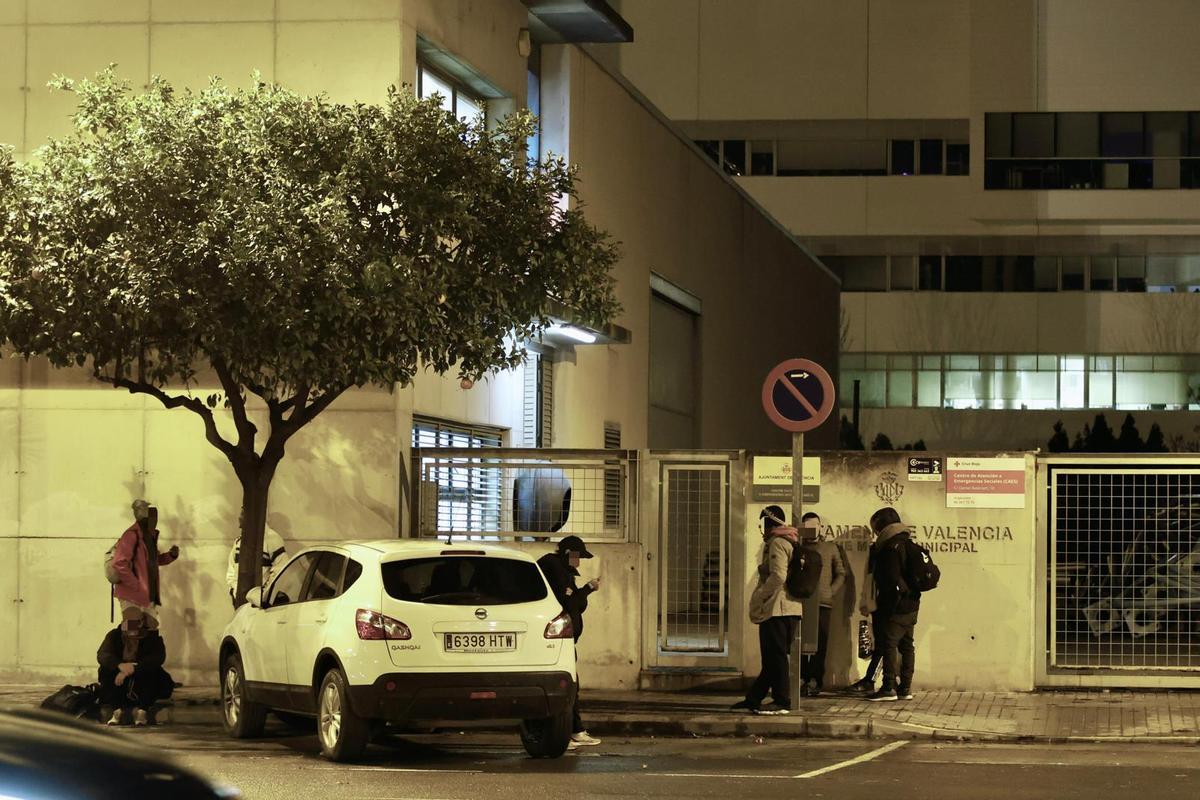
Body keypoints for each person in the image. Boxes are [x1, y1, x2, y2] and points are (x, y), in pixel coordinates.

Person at [731, 505, 803, 715]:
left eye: (764, 524)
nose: (762, 529)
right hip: (788, 608)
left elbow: (778, 576)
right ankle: (754, 698)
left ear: (770, 524)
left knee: (776, 656)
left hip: (777, 608)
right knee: (773, 657)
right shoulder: (790, 541)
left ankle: (782, 700)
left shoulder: (778, 543)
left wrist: (760, 595)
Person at [537, 534, 601, 749]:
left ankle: (574, 730)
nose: (579, 561)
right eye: (577, 557)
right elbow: (573, 603)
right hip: (559, 639)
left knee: (569, 685)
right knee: (569, 685)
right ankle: (573, 731)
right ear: (568, 554)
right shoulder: (558, 573)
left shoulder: (559, 570)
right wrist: (588, 589)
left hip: (561, 638)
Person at [865, 506, 920, 702]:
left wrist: (884, 605)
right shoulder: (908, 543)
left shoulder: (889, 548)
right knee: (907, 647)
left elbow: (888, 579)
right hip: (912, 606)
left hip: (895, 607)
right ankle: (905, 688)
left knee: (888, 646)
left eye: (876, 529)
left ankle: (888, 687)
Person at [97, 606, 174, 726]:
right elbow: (103, 655)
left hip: (142, 678)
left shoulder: (152, 637)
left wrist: (133, 668)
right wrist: (119, 665)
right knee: (105, 671)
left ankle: (142, 711)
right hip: (120, 680)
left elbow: (157, 658)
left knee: (153, 673)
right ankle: (117, 710)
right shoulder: (115, 635)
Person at [799, 512, 846, 697]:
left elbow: (841, 573)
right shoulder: (797, 548)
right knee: (799, 642)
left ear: (821, 527)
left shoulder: (830, 547)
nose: (812, 530)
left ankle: (815, 680)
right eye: (807, 526)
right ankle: (801, 678)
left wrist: (830, 591)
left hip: (823, 603)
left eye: (815, 525)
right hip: (801, 602)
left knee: (821, 643)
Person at [112, 500, 179, 625]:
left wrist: (170, 556)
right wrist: (136, 585)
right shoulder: (131, 535)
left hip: (146, 595)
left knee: (150, 633)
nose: (155, 520)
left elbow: (152, 561)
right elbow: (119, 563)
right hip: (132, 596)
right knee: (132, 632)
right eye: (152, 515)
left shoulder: (147, 537)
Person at [226, 509, 287, 607]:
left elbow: (280, 568)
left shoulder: (273, 539)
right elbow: (231, 569)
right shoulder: (239, 542)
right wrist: (234, 590)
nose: (239, 518)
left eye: (243, 514)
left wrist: (264, 594)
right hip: (240, 600)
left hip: (261, 603)